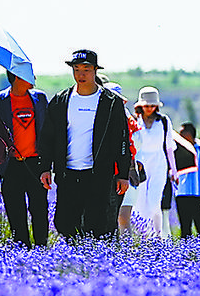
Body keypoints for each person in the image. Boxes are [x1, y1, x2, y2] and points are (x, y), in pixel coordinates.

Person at [39, 49, 131, 240]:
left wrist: (123, 173)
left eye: (86, 69)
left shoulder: (111, 102)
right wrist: (45, 167)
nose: (81, 74)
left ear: (95, 70)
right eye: (76, 69)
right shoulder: (60, 100)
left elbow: (122, 139)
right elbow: (48, 136)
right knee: (65, 223)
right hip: (67, 173)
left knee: (98, 223)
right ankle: (74, 263)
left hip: (99, 173)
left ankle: (96, 264)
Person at [0, 72, 49, 247]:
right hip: (11, 165)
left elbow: (47, 132)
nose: (34, 79)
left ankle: (42, 249)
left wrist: (47, 164)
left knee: (40, 210)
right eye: (29, 75)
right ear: (17, 76)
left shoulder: (40, 99)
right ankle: (21, 250)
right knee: (15, 212)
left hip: (35, 164)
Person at [128, 86, 178, 238]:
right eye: (146, 105)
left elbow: (169, 147)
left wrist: (173, 170)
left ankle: (158, 236)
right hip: (140, 164)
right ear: (140, 106)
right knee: (140, 202)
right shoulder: (135, 121)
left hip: (159, 163)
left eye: (152, 105)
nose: (149, 109)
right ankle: (143, 237)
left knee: (154, 201)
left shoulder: (163, 121)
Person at [174, 122, 200, 239]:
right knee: (185, 227)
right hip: (181, 192)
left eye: (182, 134)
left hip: (198, 192)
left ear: (189, 134)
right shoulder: (176, 148)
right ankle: (187, 253)